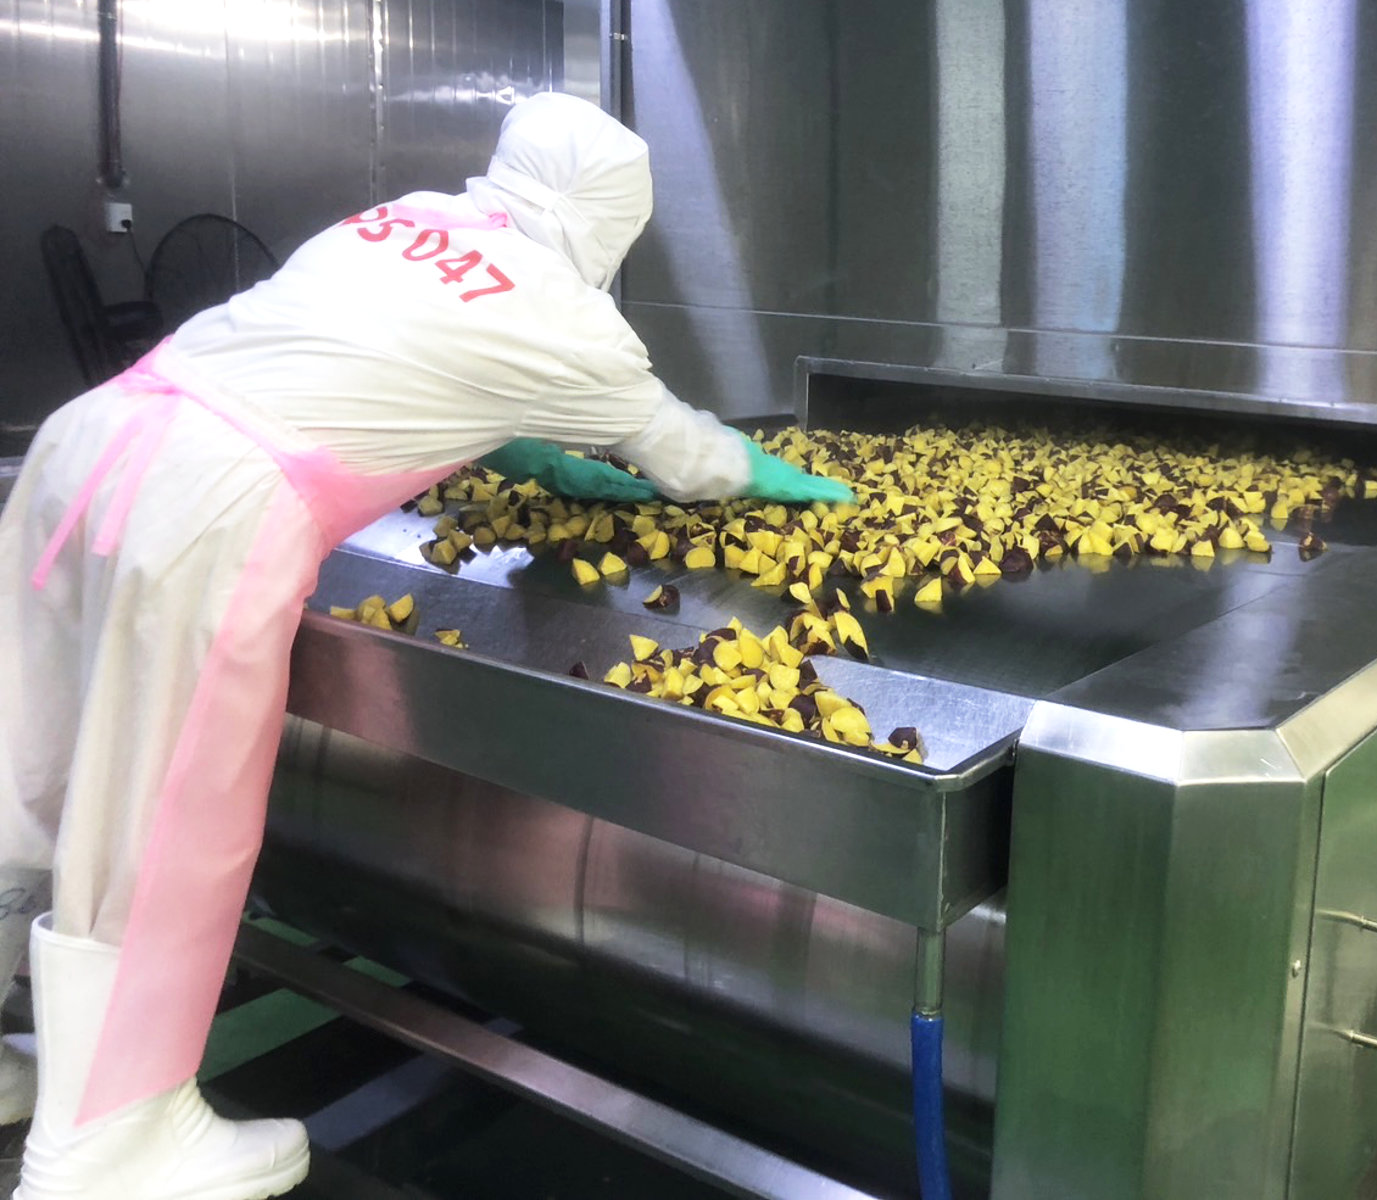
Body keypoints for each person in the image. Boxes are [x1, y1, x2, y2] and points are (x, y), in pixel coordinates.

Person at [0, 92, 850, 1200]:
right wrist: (770, 475)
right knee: (162, 816)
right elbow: (689, 459)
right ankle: (112, 1140)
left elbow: (387, 355)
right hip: (207, 504)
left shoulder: (404, 219)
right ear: (613, 220)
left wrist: (522, 450)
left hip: (90, 444)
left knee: (23, 758)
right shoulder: (570, 318)